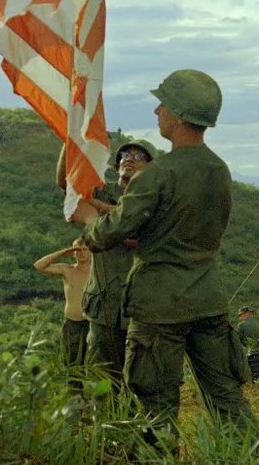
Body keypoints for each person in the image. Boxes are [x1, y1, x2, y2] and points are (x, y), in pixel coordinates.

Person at [71, 69, 258, 453]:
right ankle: (253, 458)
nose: (157, 110)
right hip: (208, 299)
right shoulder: (219, 171)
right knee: (227, 398)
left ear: (178, 114)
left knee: (155, 406)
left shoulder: (157, 175)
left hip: (158, 307)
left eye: (163, 104)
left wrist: (89, 227)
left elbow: (116, 228)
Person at [78, 138, 154, 388]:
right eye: (125, 155)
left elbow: (136, 234)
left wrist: (100, 208)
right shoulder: (100, 189)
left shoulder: (156, 199)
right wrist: (70, 142)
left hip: (143, 307)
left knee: (142, 384)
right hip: (104, 305)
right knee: (103, 385)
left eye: (139, 156)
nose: (129, 158)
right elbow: (67, 184)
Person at [34, 238, 93, 391]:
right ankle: (76, 407)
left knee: (98, 367)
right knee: (73, 369)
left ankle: (98, 407)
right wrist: (63, 253)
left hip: (94, 324)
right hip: (73, 324)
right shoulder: (67, 270)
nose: (80, 253)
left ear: (91, 251)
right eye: (76, 250)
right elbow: (39, 265)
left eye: (84, 249)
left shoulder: (99, 271)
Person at [236, 306, 259, 382]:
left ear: (246, 314)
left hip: (246, 356)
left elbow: (237, 342)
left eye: (240, 315)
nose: (240, 318)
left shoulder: (241, 325)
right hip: (257, 355)